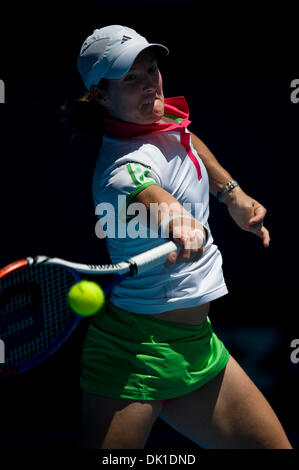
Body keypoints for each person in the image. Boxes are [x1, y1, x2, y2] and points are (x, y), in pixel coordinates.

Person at [69, 25, 292, 449]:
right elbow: (150, 195)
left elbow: (184, 134)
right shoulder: (122, 168)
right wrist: (181, 224)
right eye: (130, 79)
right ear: (100, 95)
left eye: (151, 69)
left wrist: (232, 195)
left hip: (197, 345)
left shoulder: (156, 116)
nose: (150, 84)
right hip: (133, 353)